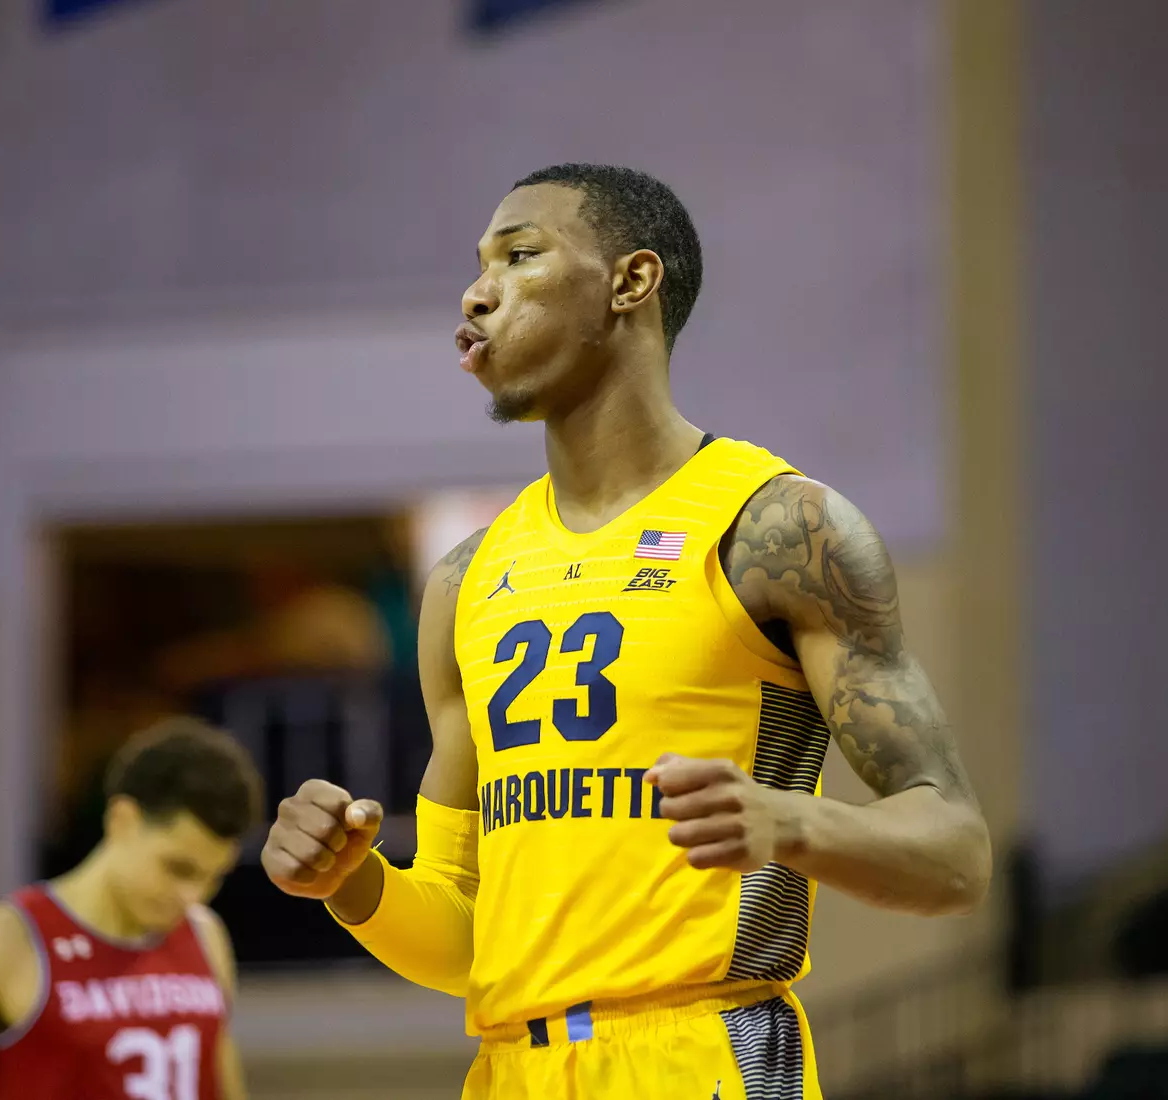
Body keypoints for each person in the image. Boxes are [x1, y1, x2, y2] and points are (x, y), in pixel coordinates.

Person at [262, 164, 993, 1099]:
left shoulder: (777, 530)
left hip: (705, 1054)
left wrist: (793, 823)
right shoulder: (464, 580)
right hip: (513, 1068)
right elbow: (467, 937)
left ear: (630, 282)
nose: (478, 292)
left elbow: (957, 854)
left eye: (520, 257)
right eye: (478, 268)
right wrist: (351, 885)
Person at [0, 717, 263, 1100]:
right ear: (123, 821)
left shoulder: (205, 935)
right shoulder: (1, 940)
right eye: (178, 868)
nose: (193, 895)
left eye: (213, 877)